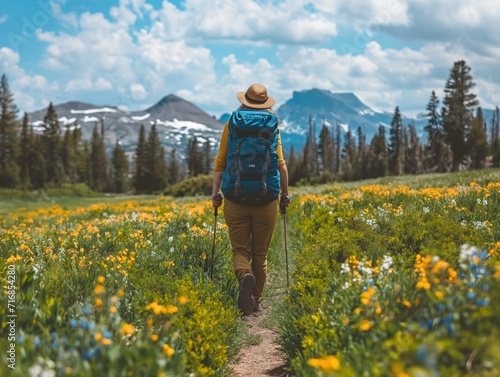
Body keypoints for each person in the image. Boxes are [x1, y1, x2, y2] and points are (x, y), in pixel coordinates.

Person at [211, 83, 291, 316]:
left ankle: (245, 275)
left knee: (240, 250)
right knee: (260, 254)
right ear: (265, 102)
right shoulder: (272, 124)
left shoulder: (232, 122)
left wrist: (215, 193)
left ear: (244, 100)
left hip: (235, 197)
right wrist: (284, 195)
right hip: (266, 198)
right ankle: (255, 298)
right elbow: (282, 165)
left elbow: (220, 162)